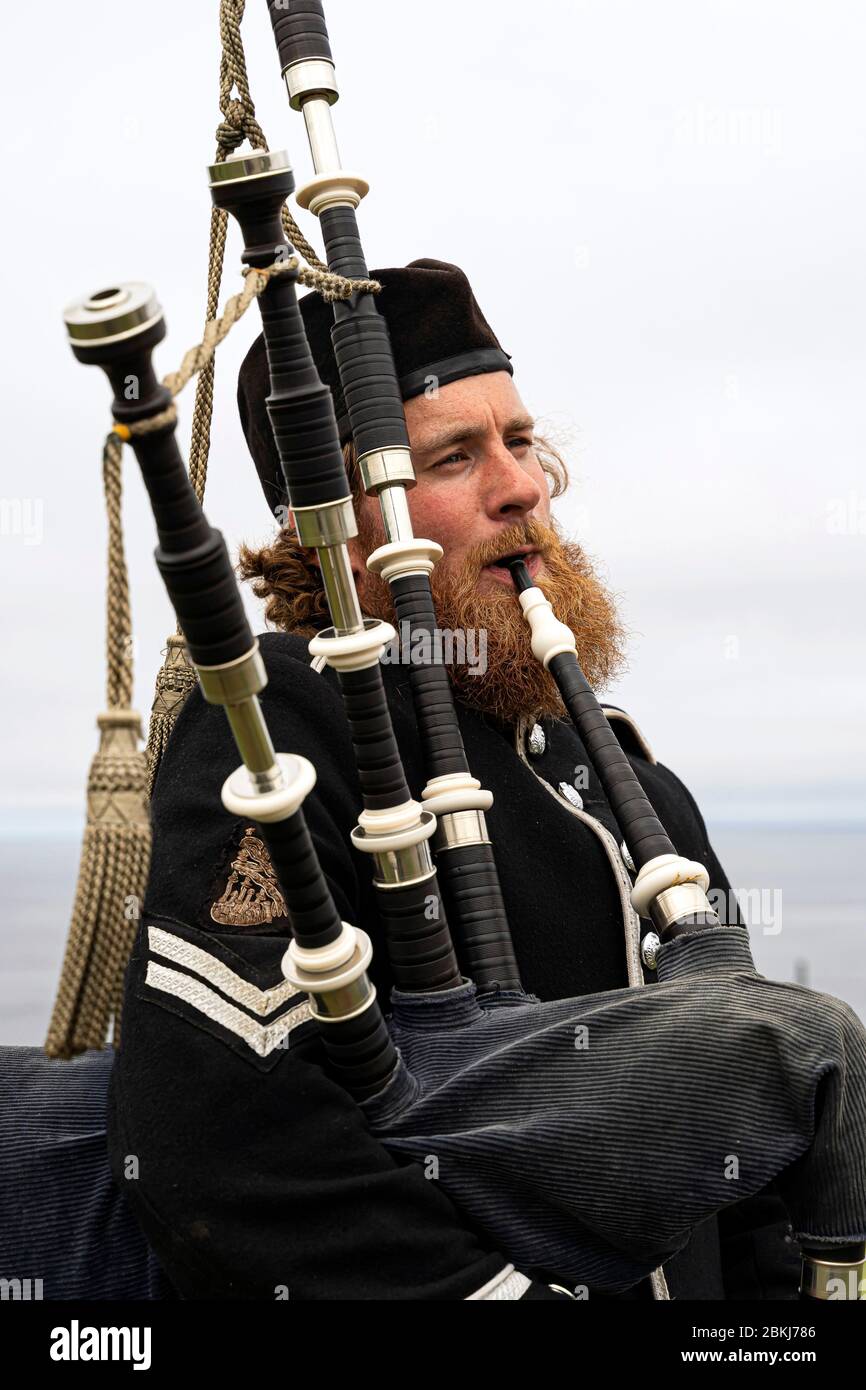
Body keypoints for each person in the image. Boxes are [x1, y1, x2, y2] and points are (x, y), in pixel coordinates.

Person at [108, 259, 800, 1300]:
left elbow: (739, 1162)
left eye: (520, 442)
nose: (520, 486)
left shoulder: (635, 788)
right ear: (329, 525)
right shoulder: (282, 724)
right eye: (452, 456)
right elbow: (221, 1137)